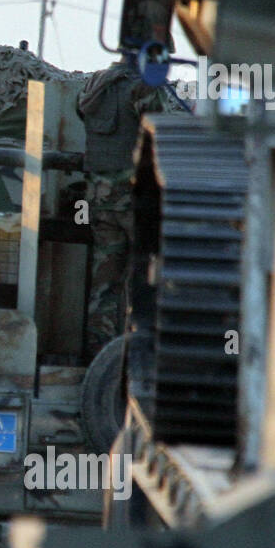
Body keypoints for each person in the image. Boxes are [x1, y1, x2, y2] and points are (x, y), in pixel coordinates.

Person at [77, 59, 183, 358]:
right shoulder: (142, 87)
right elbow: (166, 126)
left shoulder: (95, 84)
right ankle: (140, 357)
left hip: (100, 199)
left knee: (104, 286)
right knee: (147, 279)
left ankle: (99, 357)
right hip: (136, 202)